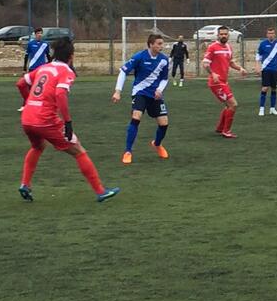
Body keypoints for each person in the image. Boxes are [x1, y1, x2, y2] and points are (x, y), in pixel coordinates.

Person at [15, 38, 119, 203]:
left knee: (37, 146)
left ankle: (25, 184)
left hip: (27, 117)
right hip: (45, 120)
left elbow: (21, 83)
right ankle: (100, 192)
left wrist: (29, 102)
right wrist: (68, 122)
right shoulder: (66, 71)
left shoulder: (44, 67)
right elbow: (60, 94)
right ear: (71, 56)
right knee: (78, 150)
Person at [112, 34, 171, 164]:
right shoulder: (139, 57)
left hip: (155, 95)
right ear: (151, 44)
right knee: (136, 117)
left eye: (162, 43)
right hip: (140, 93)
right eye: (159, 44)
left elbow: (165, 78)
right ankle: (128, 151)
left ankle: (157, 144)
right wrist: (118, 91)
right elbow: (123, 71)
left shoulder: (164, 60)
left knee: (164, 123)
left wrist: (159, 90)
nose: (162, 46)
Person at [203, 26, 247, 137]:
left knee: (228, 105)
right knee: (233, 104)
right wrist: (212, 73)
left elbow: (231, 63)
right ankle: (226, 131)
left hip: (224, 82)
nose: (223, 36)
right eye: (221, 34)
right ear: (217, 35)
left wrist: (240, 68)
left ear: (228, 35)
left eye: (225, 34)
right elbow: (205, 64)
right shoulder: (212, 47)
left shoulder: (228, 47)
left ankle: (220, 128)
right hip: (216, 83)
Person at [256, 26, 277, 116]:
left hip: (275, 69)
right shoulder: (263, 44)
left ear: (274, 34)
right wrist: (257, 66)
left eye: (272, 33)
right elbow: (258, 56)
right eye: (269, 33)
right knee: (265, 88)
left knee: (274, 88)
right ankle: (261, 108)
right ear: (266, 34)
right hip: (266, 69)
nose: (271, 35)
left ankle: (272, 108)